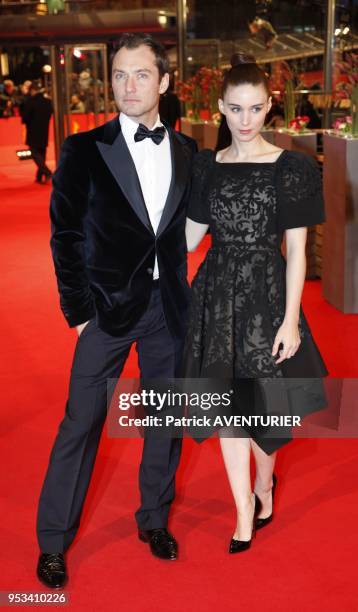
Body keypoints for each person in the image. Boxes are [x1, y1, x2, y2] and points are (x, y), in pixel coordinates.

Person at [36, 32, 197, 588]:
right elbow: (65, 235)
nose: (129, 86)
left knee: (165, 420)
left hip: (166, 309)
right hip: (104, 311)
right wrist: (79, 312)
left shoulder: (185, 150)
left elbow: (185, 232)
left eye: (141, 75)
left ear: (164, 82)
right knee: (80, 422)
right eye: (120, 75)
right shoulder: (84, 149)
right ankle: (53, 540)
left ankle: (154, 518)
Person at [183, 53, 328, 554]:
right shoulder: (207, 166)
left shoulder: (291, 168)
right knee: (228, 406)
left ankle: (264, 485)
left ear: (270, 108)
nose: (245, 121)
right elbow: (188, 239)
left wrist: (291, 321)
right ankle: (242, 508)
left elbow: (296, 251)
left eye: (255, 109)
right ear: (220, 107)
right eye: (236, 109)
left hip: (267, 294)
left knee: (266, 410)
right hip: (216, 293)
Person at [22, 81, 53, 184]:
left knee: (34, 151)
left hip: (32, 130)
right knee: (42, 152)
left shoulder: (30, 101)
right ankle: (39, 176)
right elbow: (50, 114)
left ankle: (47, 172)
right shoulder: (47, 101)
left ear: (32, 90)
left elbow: (25, 117)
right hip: (44, 129)